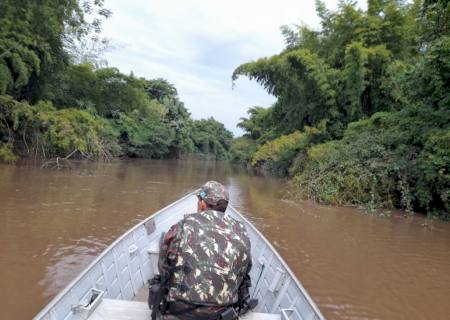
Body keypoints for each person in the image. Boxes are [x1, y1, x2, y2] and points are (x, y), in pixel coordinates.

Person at [152, 181, 253, 320]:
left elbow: (163, 268)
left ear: (202, 203)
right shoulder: (242, 232)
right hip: (222, 315)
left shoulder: (180, 227)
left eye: (198, 199)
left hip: (178, 313)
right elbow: (244, 273)